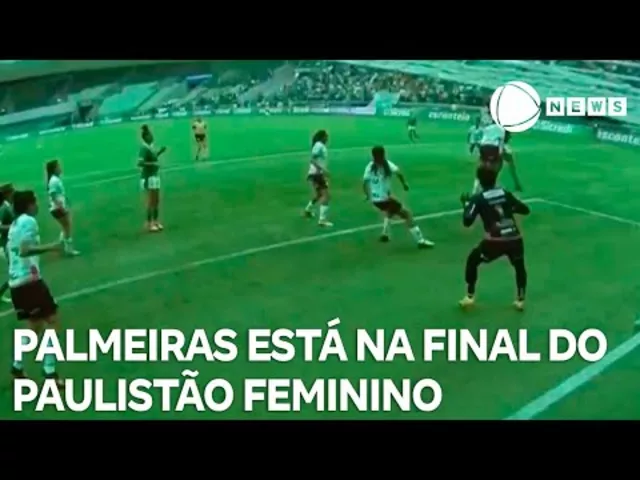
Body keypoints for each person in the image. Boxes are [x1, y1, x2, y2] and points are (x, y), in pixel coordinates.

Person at [8, 190, 64, 386]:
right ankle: (50, 372)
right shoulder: (28, 221)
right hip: (29, 282)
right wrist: (53, 246)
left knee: (35, 326)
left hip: (17, 283)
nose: (38, 205)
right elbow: (25, 250)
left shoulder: (15, 224)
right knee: (53, 321)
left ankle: (17, 366)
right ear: (29, 205)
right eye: (35, 202)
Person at [459, 167, 530, 311]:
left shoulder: (478, 198)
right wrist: (509, 209)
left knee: (473, 260)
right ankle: (520, 299)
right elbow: (525, 210)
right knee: (519, 265)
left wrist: (466, 206)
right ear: (495, 179)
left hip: (495, 241)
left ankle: (469, 296)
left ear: (479, 181)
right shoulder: (504, 193)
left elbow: (467, 221)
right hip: (514, 237)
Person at [362, 146, 434, 248]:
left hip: (376, 200)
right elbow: (399, 173)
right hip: (384, 199)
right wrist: (404, 184)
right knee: (407, 214)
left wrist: (367, 195)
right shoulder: (387, 164)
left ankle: (385, 234)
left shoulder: (370, 166)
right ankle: (420, 241)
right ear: (383, 154)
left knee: (390, 210)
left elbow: (365, 182)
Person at [46, 159, 80, 256]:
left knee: (66, 226)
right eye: (58, 167)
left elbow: (58, 193)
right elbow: (53, 195)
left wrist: (66, 200)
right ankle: (68, 249)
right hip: (57, 208)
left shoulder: (55, 179)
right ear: (54, 169)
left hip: (57, 207)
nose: (60, 168)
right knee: (67, 227)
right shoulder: (54, 181)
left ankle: (62, 244)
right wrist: (61, 207)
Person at [138, 124, 167, 232]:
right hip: (148, 177)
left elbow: (153, 157)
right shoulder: (144, 148)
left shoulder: (150, 147)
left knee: (156, 201)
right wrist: (153, 164)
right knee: (151, 201)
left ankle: (156, 221)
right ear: (146, 137)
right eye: (150, 135)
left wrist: (160, 152)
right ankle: (149, 223)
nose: (152, 136)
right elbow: (140, 163)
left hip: (154, 176)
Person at [303, 129, 332, 227]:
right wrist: (323, 170)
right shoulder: (319, 145)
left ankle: (307, 211)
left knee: (319, 194)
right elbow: (313, 160)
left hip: (316, 173)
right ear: (322, 137)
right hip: (317, 174)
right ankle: (322, 220)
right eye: (326, 137)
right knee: (326, 196)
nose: (327, 139)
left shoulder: (319, 145)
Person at [0, 183, 15, 303]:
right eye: (12, 191)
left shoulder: (7, 205)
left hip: (10, 242)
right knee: (15, 271)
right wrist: (15, 226)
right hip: (6, 244)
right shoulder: (3, 209)